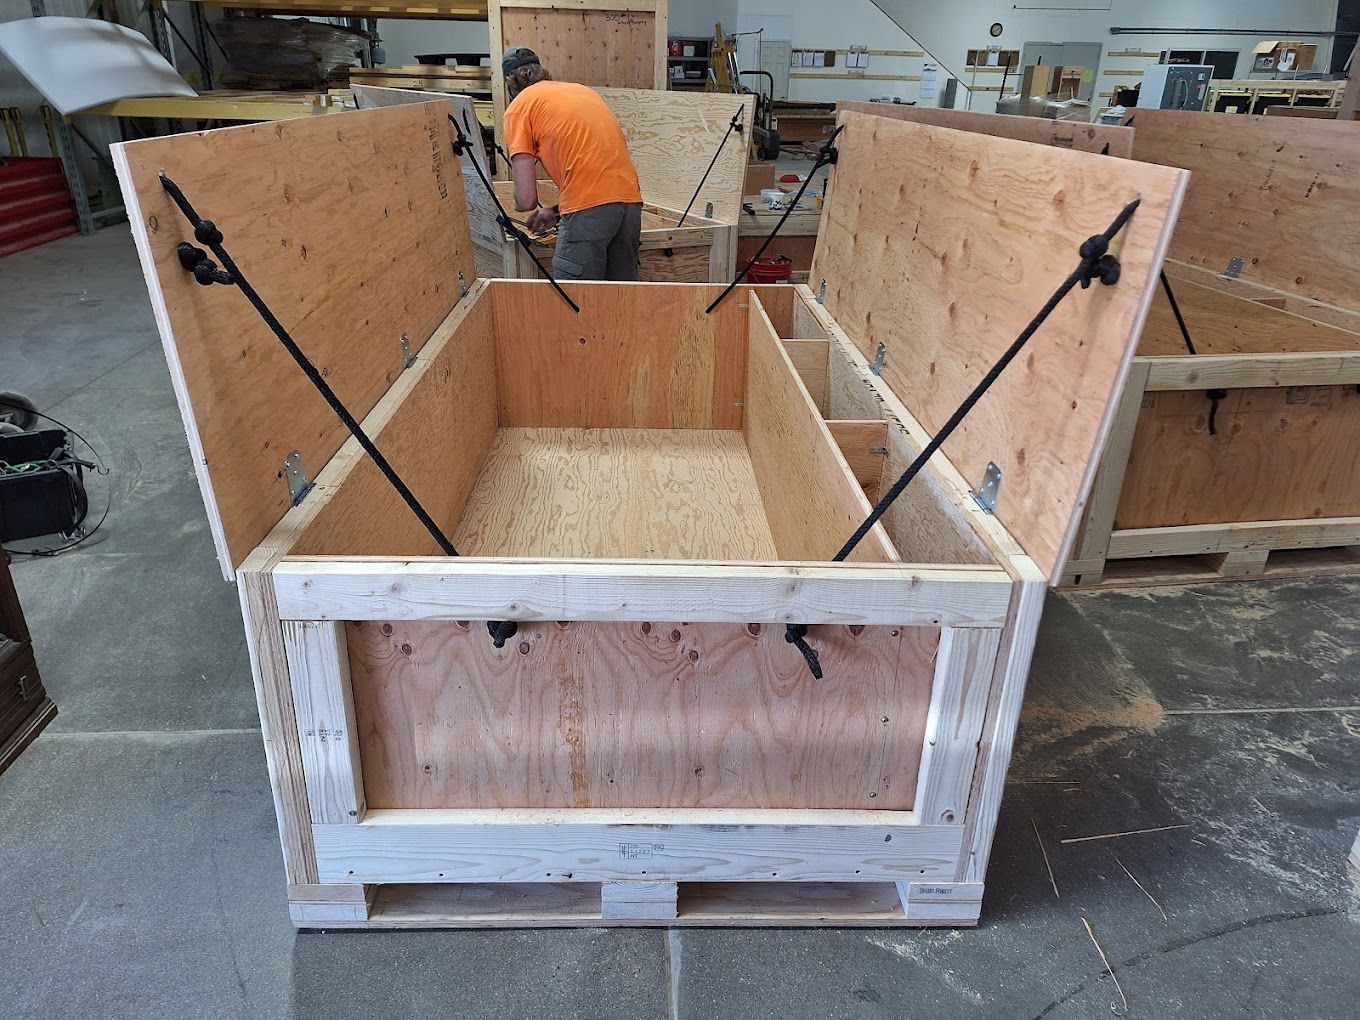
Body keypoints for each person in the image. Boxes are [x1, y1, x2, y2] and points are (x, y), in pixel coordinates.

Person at [501, 46, 645, 281]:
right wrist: (556, 212)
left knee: (575, 298)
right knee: (621, 297)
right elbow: (600, 183)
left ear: (509, 81)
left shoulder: (519, 107)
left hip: (589, 212)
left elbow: (526, 200)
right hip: (630, 204)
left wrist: (513, 205)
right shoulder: (582, 91)